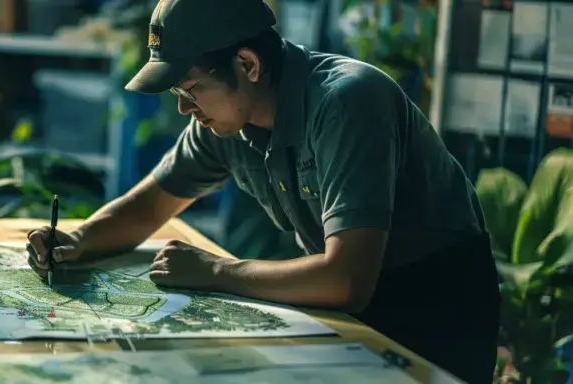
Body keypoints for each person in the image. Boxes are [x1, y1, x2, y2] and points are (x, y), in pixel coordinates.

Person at [25, 0, 499, 382]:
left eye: (190, 90)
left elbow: (347, 281)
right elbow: (152, 203)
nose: (185, 109)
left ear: (247, 64)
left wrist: (217, 270)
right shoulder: (224, 121)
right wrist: (79, 240)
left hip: (434, 306)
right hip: (344, 301)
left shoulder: (347, 102)